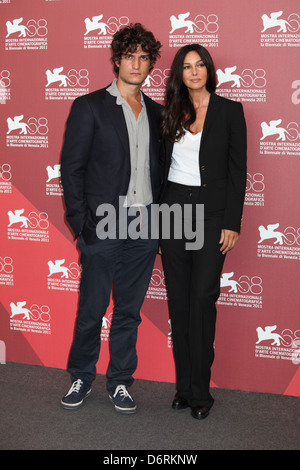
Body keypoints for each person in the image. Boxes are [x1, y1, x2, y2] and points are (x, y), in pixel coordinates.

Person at [60, 23, 162, 414]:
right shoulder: (89, 107)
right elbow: (72, 170)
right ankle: (82, 376)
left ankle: (120, 380)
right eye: (129, 56)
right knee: (92, 308)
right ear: (117, 61)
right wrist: (82, 224)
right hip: (102, 225)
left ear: (150, 63)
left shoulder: (157, 112)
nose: (136, 63)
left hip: (146, 226)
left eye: (143, 57)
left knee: (129, 311)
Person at [159, 44, 247, 420]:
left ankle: (201, 393)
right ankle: (183, 388)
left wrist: (232, 222)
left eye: (200, 65)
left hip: (211, 215)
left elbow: (237, 171)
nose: (194, 72)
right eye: (186, 66)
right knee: (179, 302)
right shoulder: (170, 112)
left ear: (210, 70)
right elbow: (159, 166)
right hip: (174, 210)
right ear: (179, 73)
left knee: (201, 300)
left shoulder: (230, 111)